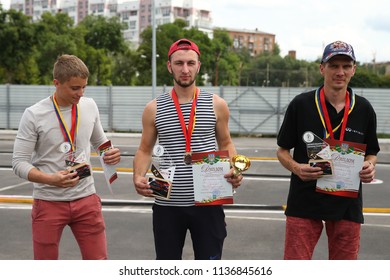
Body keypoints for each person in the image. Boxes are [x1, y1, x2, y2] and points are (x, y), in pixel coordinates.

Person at [132, 38, 243, 260]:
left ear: (199, 66)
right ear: (169, 66)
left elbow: (226, 143)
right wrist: (137, 176)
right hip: (167, 203)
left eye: (191, 63)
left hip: (209, 201)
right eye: (179, 63)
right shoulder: (153, 108)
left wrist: (236, 168)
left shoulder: (216, 104)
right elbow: (145, 149)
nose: (185, 69)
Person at [276, 41, 380, 260]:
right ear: (322, 68)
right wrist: (297, 168)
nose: (340, 72)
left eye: (345, 65)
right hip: (304, 200)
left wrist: (370, 165)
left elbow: (372, 152)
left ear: (354, 69)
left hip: (347, 203)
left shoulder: (364, 109)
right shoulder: (301, 104)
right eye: (333, 66)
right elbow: (282, 150)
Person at [12, 54, 121, 260]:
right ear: (56, 83)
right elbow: (18, 163)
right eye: (74, 88)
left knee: (98, 262)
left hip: (86, 199)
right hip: (49, 201)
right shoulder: (34, 114)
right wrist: (51, 179)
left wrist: (110, 153)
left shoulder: (89, 106)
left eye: (84, 87)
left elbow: (100, 143)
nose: (80, 94)